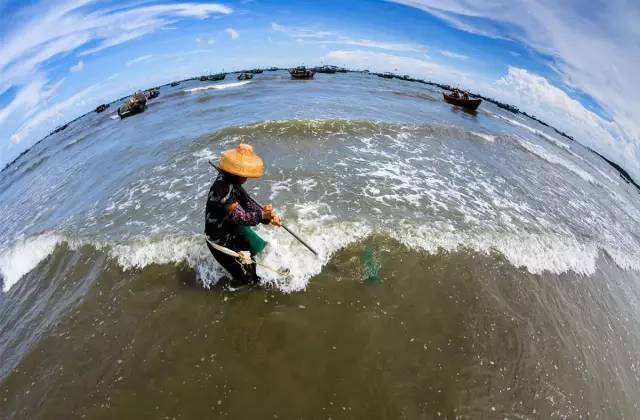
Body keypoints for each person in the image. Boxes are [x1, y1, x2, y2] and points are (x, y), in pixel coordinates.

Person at [204, 144, 281, 285]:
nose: (247, 177)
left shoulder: (233, 182)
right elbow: (241, 217)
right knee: (249, 279)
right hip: (221, 240)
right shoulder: (222, 188)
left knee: (263, 249)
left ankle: (275, 273)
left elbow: (248, 204)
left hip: (232, 228)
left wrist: (268, 217)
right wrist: (262, 215)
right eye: (245, 174)